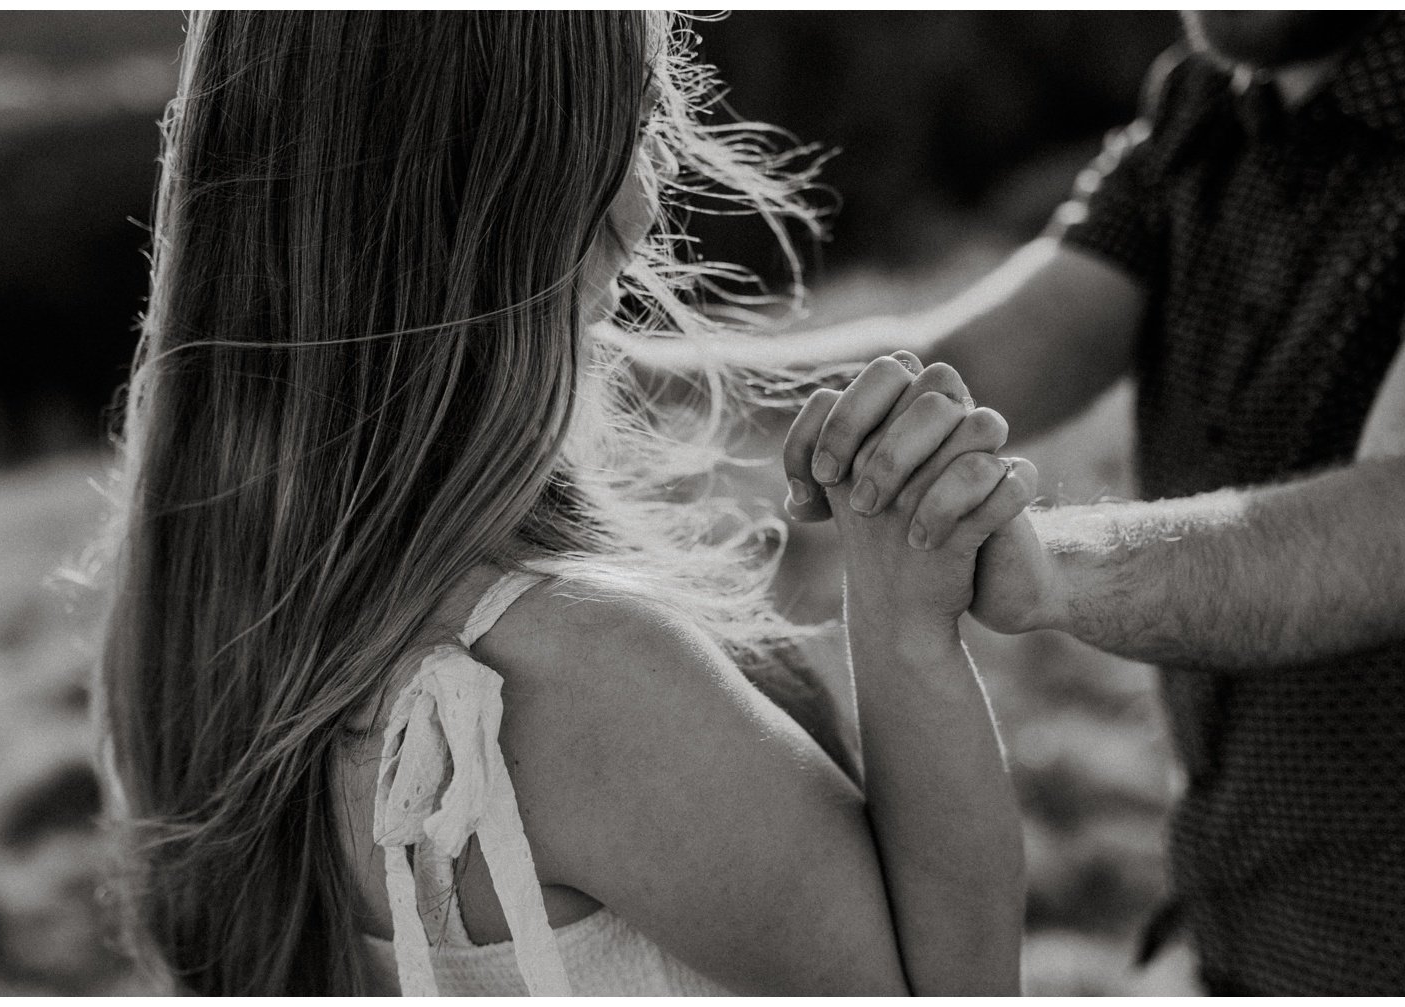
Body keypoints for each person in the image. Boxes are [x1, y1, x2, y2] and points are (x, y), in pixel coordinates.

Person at [94, 12, 1035, 996]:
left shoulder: (192, 599)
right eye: (640, 118)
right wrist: (908, 627)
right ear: (540, 192)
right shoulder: (570, 679)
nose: (653, 186)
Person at [770, 9, 1405, 998]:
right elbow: (972, 359)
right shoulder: (1202, 104)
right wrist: (598, 372)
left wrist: (1046, 564)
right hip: (1237, 924)